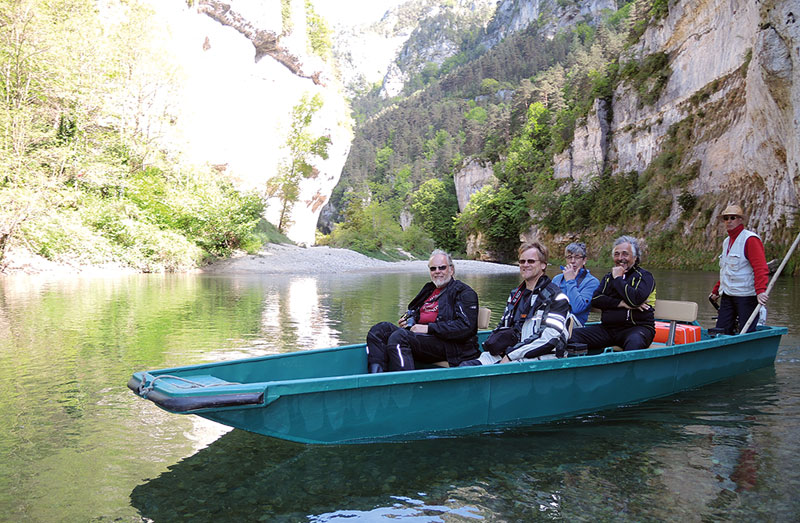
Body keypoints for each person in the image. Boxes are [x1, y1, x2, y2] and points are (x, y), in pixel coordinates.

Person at [365, 249, 480, 372]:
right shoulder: (429, 289)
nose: (437, 272)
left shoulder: (464, 293)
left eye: (442, 268)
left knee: (399, 337)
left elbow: (466, 327)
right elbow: (415, 311)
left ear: (451, 270)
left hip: (451, 346)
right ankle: (377, 377)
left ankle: (405, 385)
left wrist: (429, 328)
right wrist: (408, 320)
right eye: (433, 269)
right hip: (422, 339)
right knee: (379, 330)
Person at [460, 241, 570, 366]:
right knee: (466, 368)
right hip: (511, 352)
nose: (525, 265)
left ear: (543, 265)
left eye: (531, 261)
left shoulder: (557, 297)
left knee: (492, 373)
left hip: (542, 357)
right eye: (522, 261)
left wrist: (511, 355)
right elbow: (503, 326)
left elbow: (550, 338)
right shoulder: (515, 295)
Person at [569, 235, 656, 353]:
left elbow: (635, 300)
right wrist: (620, 303)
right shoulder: (608, 278)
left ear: (635, 257)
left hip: (637, 328)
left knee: (634, 342)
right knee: (569, 336)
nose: (620, 258)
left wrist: (618, 279)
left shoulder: (645, 277)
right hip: (608, 329)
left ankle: (628, 371)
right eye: (617, 254)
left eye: (625, 254)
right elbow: (596, 299)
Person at [708, 204, 769, 334]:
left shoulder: (750, 239)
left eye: (733, 217)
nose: (729, 221)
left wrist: (761, 291)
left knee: (746, 331)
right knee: (720, 331)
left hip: (746, 296)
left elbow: (760, 268)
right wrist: (716, 291)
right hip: (728, 295)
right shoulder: (726, 242)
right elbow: (726, 270)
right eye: (726, 218)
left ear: (740, 220)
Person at [551, 241, 600, 326]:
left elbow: (577, 308)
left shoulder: (591, 282)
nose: (572, 261)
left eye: (577, 257)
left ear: (584, 260)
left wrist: (570, 281)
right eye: (569, 257)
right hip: (554, 320)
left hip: (574, 325)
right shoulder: (557, 279)